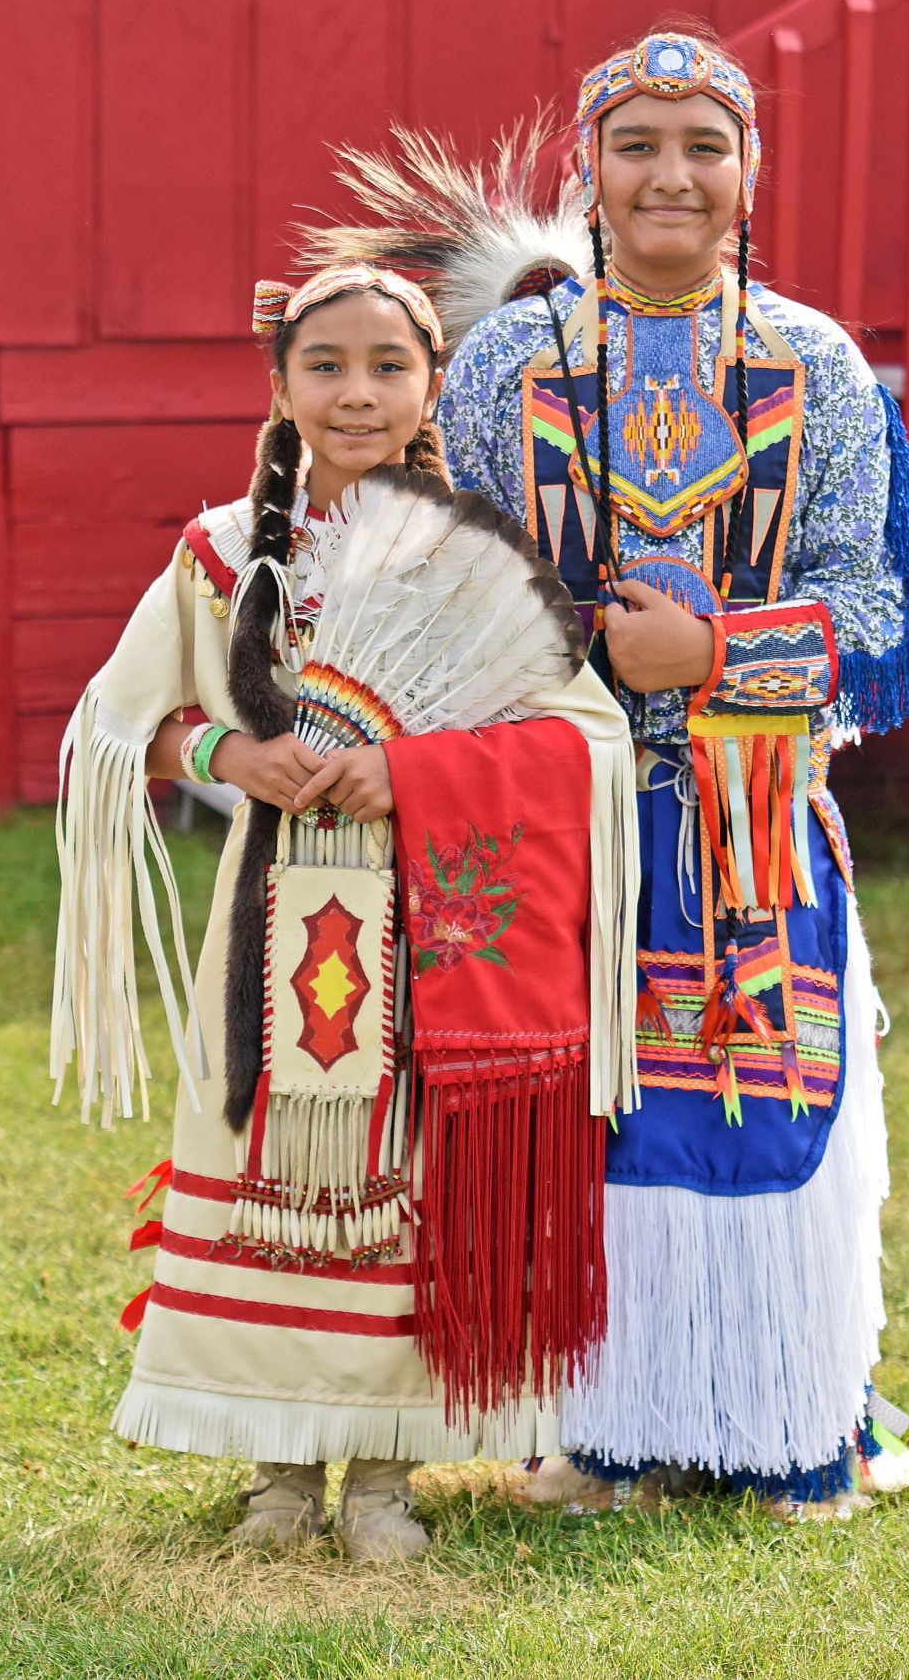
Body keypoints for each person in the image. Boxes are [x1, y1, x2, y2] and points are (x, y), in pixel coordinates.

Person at [299, 27, 909, 1516]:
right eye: (638, 142)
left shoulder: (817, 367)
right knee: (579, 1121)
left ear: (748, 174)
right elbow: (442, 579)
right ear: (588, 166)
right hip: (556, 815)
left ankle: (789, 1427)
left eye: (702, 144)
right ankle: (605, 1428)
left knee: (753, 1109)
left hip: (749, 820)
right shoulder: (510, 367)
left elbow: (885, 625)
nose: (671, 173)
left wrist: (711, 653)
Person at [51, 263, 637, 1558]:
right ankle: (273, 1468)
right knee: (253, 1165)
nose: (357, 392)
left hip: (420, 929)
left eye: (388, 365)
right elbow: (113, 722)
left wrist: (413, 770)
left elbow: (587, 740)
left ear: (432, 384)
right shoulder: (218, 558)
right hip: (268, 935)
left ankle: (380, 1474)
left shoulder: (477, 558)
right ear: (278, 386)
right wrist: (220, 755)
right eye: (326, 364)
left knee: (400, 1183)